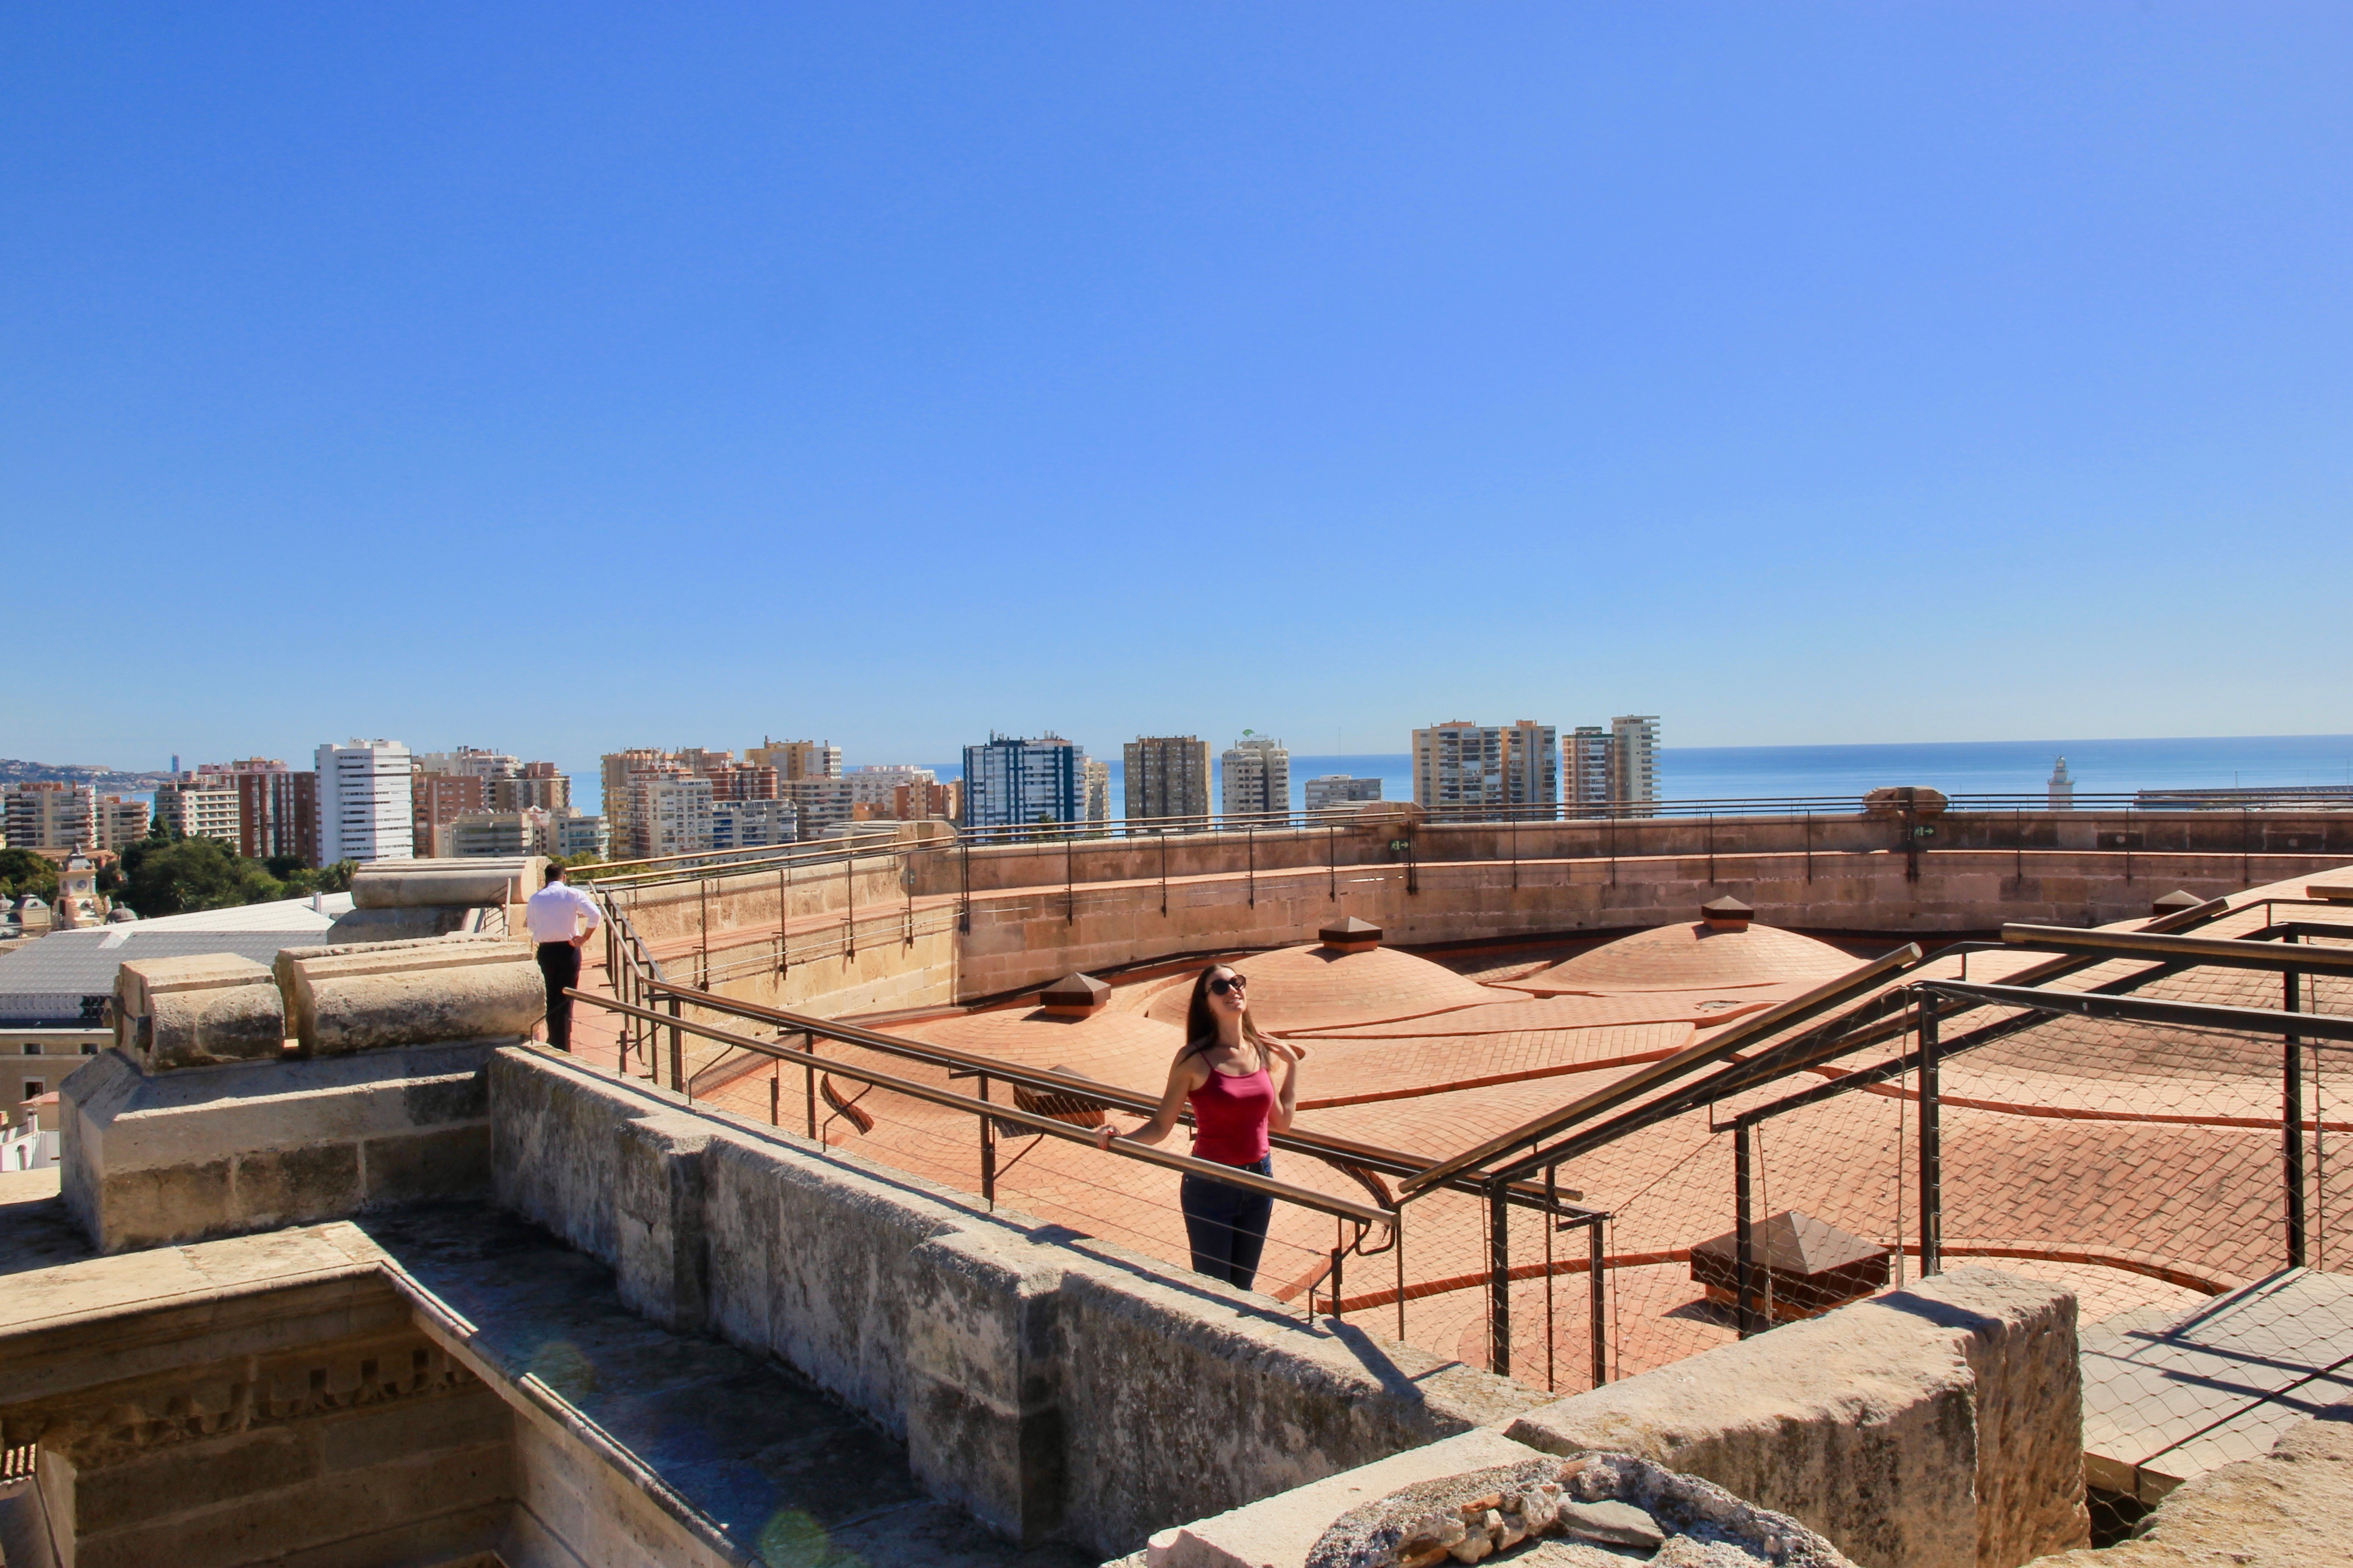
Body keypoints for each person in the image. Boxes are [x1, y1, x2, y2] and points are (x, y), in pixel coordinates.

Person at [1093, 964, 1301, 1290]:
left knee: (1243, 1290)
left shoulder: (1258, 1051)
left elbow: (1282, 1123)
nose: (1232, 990)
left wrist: (1293, 1065)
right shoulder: (1193, 1059)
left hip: (1260, 1182)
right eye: (1220, 988)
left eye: (1236, 982)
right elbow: (1162, 1125)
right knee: (1214, 1292)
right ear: (1206, 1003)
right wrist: (1121, 1140)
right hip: (1210, 1186)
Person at [525, 862, 602, 1052]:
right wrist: (584, 938)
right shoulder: (573, 894)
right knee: (567, 996)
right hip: (568, 950)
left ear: (546, 879)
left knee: (550, 995)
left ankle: (554, 1039)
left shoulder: (536, 898)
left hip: (546, 951)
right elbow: (595, 915)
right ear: (564, 878)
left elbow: (532, 928)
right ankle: (564, 1043)